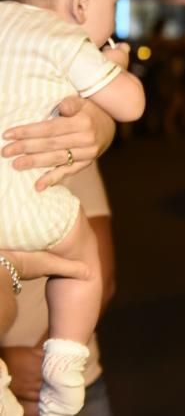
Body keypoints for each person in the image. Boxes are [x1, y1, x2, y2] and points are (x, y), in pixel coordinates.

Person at [0, 0, 145, 416]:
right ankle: (66, 352)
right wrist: (116, 69)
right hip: (33, 212)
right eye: (114, 1)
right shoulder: (60, 42)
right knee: (83, 263)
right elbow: (129, 105)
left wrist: (95, 127)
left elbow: (92, 128)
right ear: (81, 4)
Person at [1, 164, 117, 416]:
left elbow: (104, 274)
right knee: (82, 264)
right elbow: (88, 269)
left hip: (47, 364)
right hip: (55, 365)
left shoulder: (63, 143)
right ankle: (63, 358)